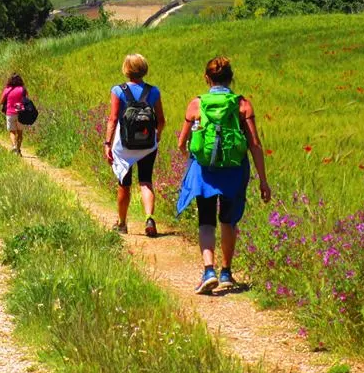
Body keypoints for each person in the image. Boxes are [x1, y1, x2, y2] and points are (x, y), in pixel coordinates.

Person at [176, 57, 271, 294]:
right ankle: (226, 272)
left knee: (206, 221)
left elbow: (181, 143)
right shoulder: (242, 105)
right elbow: (255, 144)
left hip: (205, 171)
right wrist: (263, 179)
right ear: (231, 78)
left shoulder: (196, 104)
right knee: (228, 221)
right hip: (234, 170)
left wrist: (195, 148)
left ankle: (209, 271)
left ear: (207, 79)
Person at [103, 53, 165, 237]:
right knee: (146, 181)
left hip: (125, 145)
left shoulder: (118, 90)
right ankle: (149, 218)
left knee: (124, 183)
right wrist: (157, 136)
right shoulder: (153, 91)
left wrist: (107, 143)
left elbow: (113, 119)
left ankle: (122, 223)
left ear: (126, 69)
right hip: (147, 143)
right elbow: (161, 120)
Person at [0, 74, 26, 155]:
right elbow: (26, 100)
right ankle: (18, 150)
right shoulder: (22, 89)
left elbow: (1, 101)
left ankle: (14, 147)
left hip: (10, 113)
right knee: (20, 133)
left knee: (12, 132)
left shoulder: (7, 89)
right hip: (20, 113)